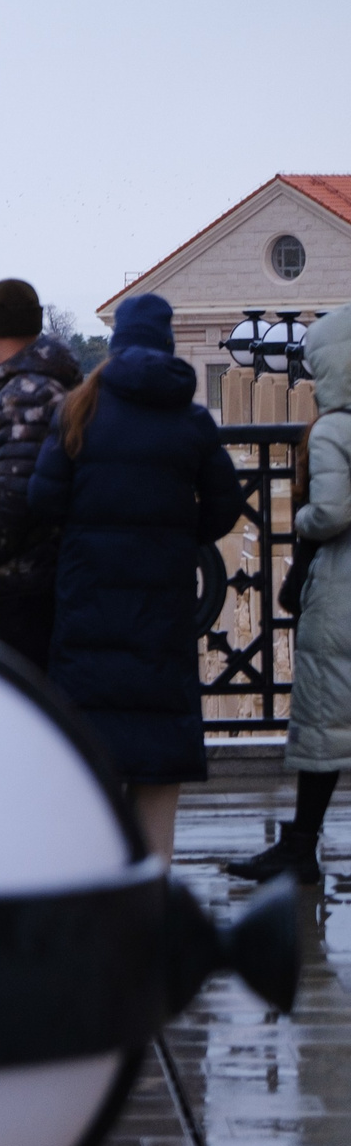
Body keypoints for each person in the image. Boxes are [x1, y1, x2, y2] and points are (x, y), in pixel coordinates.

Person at [31, 292, 244, 859]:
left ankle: (97, 887)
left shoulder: (80, 408)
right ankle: (151, 898)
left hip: (88, 603)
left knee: (92, 755)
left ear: (116, 344)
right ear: (167, 344)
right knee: (156, 760)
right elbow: (226, 508)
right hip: (161, 610)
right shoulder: (191, 420)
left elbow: (42, 500)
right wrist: (180, 532)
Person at [231, 304, 351, 881]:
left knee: (326, 724)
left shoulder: (332, 429)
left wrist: (301, 519)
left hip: (340, 593)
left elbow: (328, 512)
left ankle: (301, 845)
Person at [0, 278, 83, 670]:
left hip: (20, 582)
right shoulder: (52, 382)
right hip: (44, 576)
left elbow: (17, 498)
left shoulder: (23, 393)